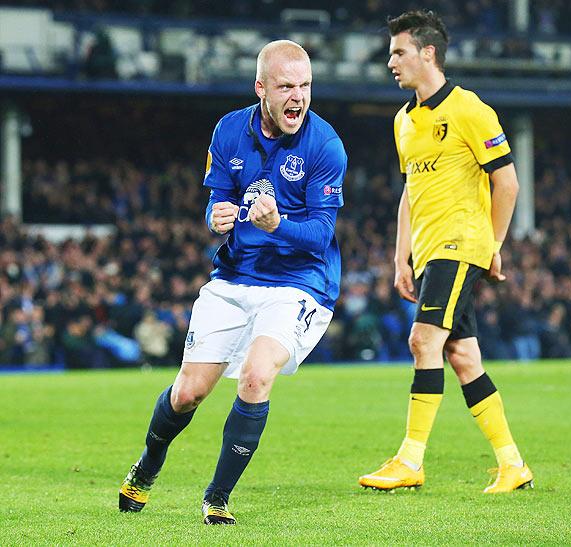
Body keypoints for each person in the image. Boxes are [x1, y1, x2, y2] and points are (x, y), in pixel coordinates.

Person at [118, 40, 347, 525]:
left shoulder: (325, 145)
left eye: (305, 86)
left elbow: (320, 235)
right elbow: (217, 201)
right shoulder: (227, 131)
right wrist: (215, 215)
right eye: (287, 86)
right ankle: (147, 468)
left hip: (299, 283)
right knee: (187, 394)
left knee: (257, 375)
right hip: (236, 276)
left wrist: (276, 225)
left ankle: (217, 497)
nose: (298, 97)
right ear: (261, 87)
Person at [358, 10, 533, 494]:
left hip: (462, 244)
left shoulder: (470, 110)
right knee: (462, 356)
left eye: (399, 52)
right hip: (432, 250)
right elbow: (410, 193)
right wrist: (400, 257)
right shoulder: (404, 121)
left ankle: (410, 459)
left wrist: (492, 245)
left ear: (427, 52)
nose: (390, 61)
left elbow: (508, 182)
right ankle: (512, 464)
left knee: (422, 342)